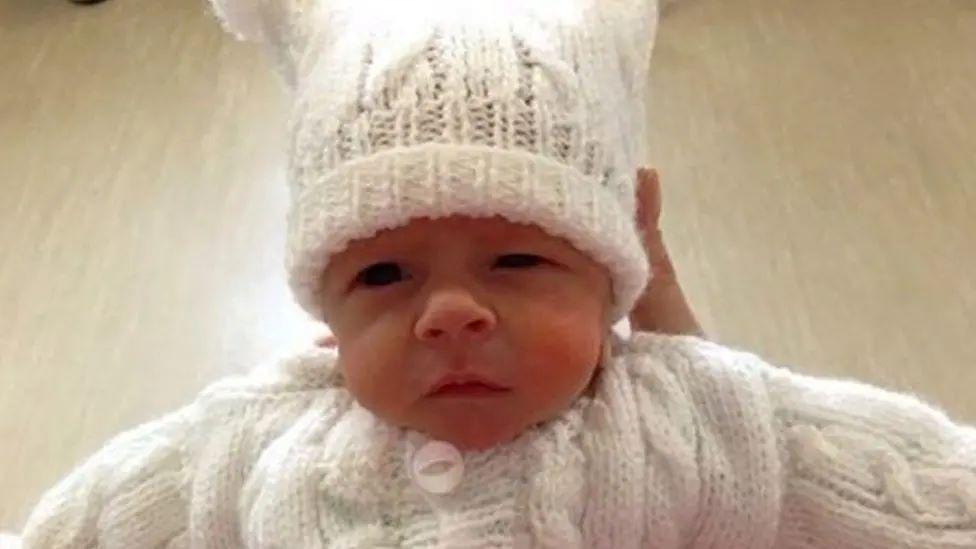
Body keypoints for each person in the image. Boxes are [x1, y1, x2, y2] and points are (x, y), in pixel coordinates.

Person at [11, 0, 976, 547]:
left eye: (519, 258)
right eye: (383, 275)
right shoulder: (254, 441)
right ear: (326, 315)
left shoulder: (693, 418)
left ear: (612, 278)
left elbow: (923, 491)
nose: (451, 313)